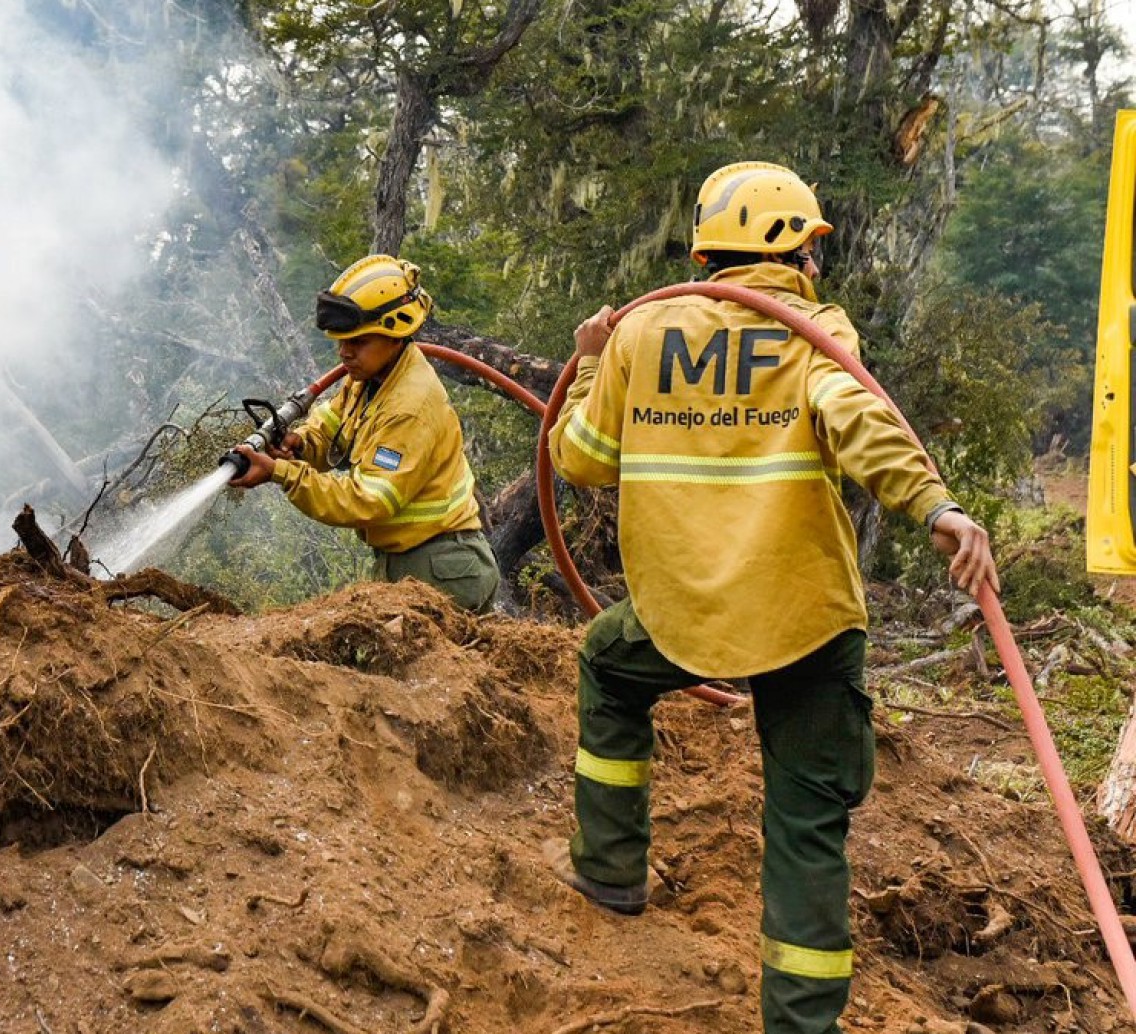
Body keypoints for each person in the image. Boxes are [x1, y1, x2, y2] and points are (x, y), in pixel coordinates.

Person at [544, 161, 999, 1034]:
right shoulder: (814, 332)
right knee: (805, 827)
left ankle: (608, 867)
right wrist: (932, 504)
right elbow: (860, 416)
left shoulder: (642, 333)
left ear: (707, 251)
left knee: (609, 662)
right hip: (805, 622)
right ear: (799, 250)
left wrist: (589, 362)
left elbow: (581, 461)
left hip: (682, 617)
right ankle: (799, 1023)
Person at [228, 254, 501, 613]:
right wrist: (300, 445)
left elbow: (368, 500)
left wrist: (282, 473)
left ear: (395, 331)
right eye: (341, 341)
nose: (344, 352)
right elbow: (331, 425)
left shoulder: (409, 407)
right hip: (414, 563)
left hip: (443, 569)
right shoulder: (371, 379)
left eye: (357, 341)